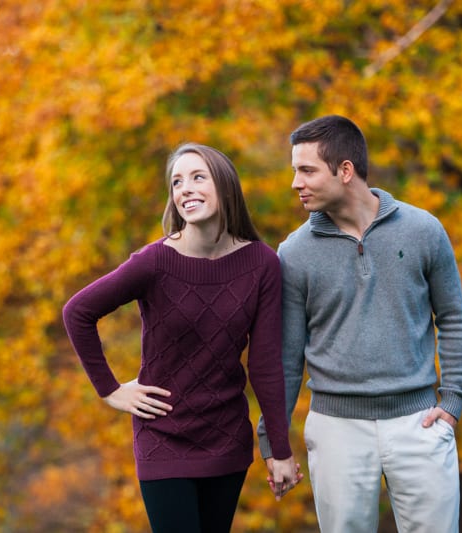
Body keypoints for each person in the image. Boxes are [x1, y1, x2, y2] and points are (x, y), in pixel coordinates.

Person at [63, 143, 300, 533]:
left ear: (225, 186)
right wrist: (109, 390)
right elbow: (78, 312)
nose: (185, 188)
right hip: (162, 436)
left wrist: (279, 449)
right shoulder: (154, 262)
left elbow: (265, 365)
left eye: (197, 177)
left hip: (226, 438)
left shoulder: (262, 264)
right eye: (177, 182)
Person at [257, 115, 462, 532]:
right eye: (294, 171)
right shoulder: (294, 253)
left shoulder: (423, 230)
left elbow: (453, 318)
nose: (295, 183)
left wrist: (452, 402)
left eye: (306, 170)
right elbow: (285, 358)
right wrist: (274, 442)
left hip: (420, 421)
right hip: (337, 428)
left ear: (345, 170)